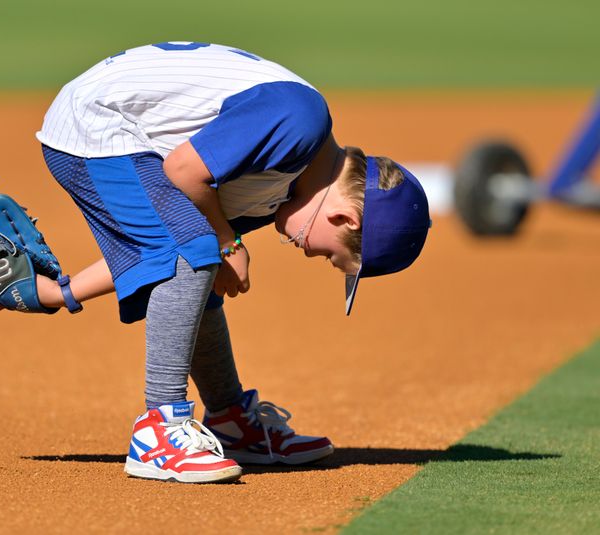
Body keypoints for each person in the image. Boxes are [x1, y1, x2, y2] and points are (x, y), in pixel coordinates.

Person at [28, 42, 431, 483]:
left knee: (200, 260)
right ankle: (158, 430)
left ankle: (230, 421)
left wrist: (56, 294)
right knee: (200, 251)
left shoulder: (276, 191)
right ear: (343, 217)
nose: (313, 254)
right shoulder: (302, 122)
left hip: (122, 131)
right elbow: (183, 171)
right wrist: (226, 239)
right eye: (334, 256)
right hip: (97, 119)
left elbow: (161, 257)